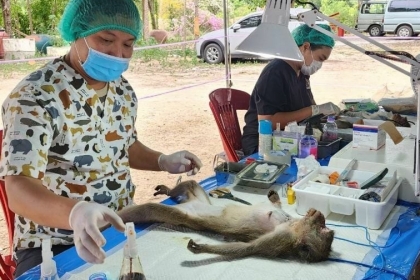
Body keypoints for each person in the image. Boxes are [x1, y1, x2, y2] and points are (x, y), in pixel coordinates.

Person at [0, 0, 203, 277]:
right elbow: (19, 189)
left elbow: (123, 145)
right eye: (106, 39)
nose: (117, 53)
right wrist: (76, 213)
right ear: (77, 34)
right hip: (56, 241)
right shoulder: (35, 97)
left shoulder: (122, 91)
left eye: (128, 44)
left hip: (121, 224)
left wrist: (162, 161)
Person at [241, 24, 341, 156]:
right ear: (306, 47)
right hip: (263, 145)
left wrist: (326, 114)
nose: (320, 64)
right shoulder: (275, 72)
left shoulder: (302, 73)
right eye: (320, 58)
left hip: (290, 138)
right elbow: (268, 122)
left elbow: (308, 107)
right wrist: (314, 110)